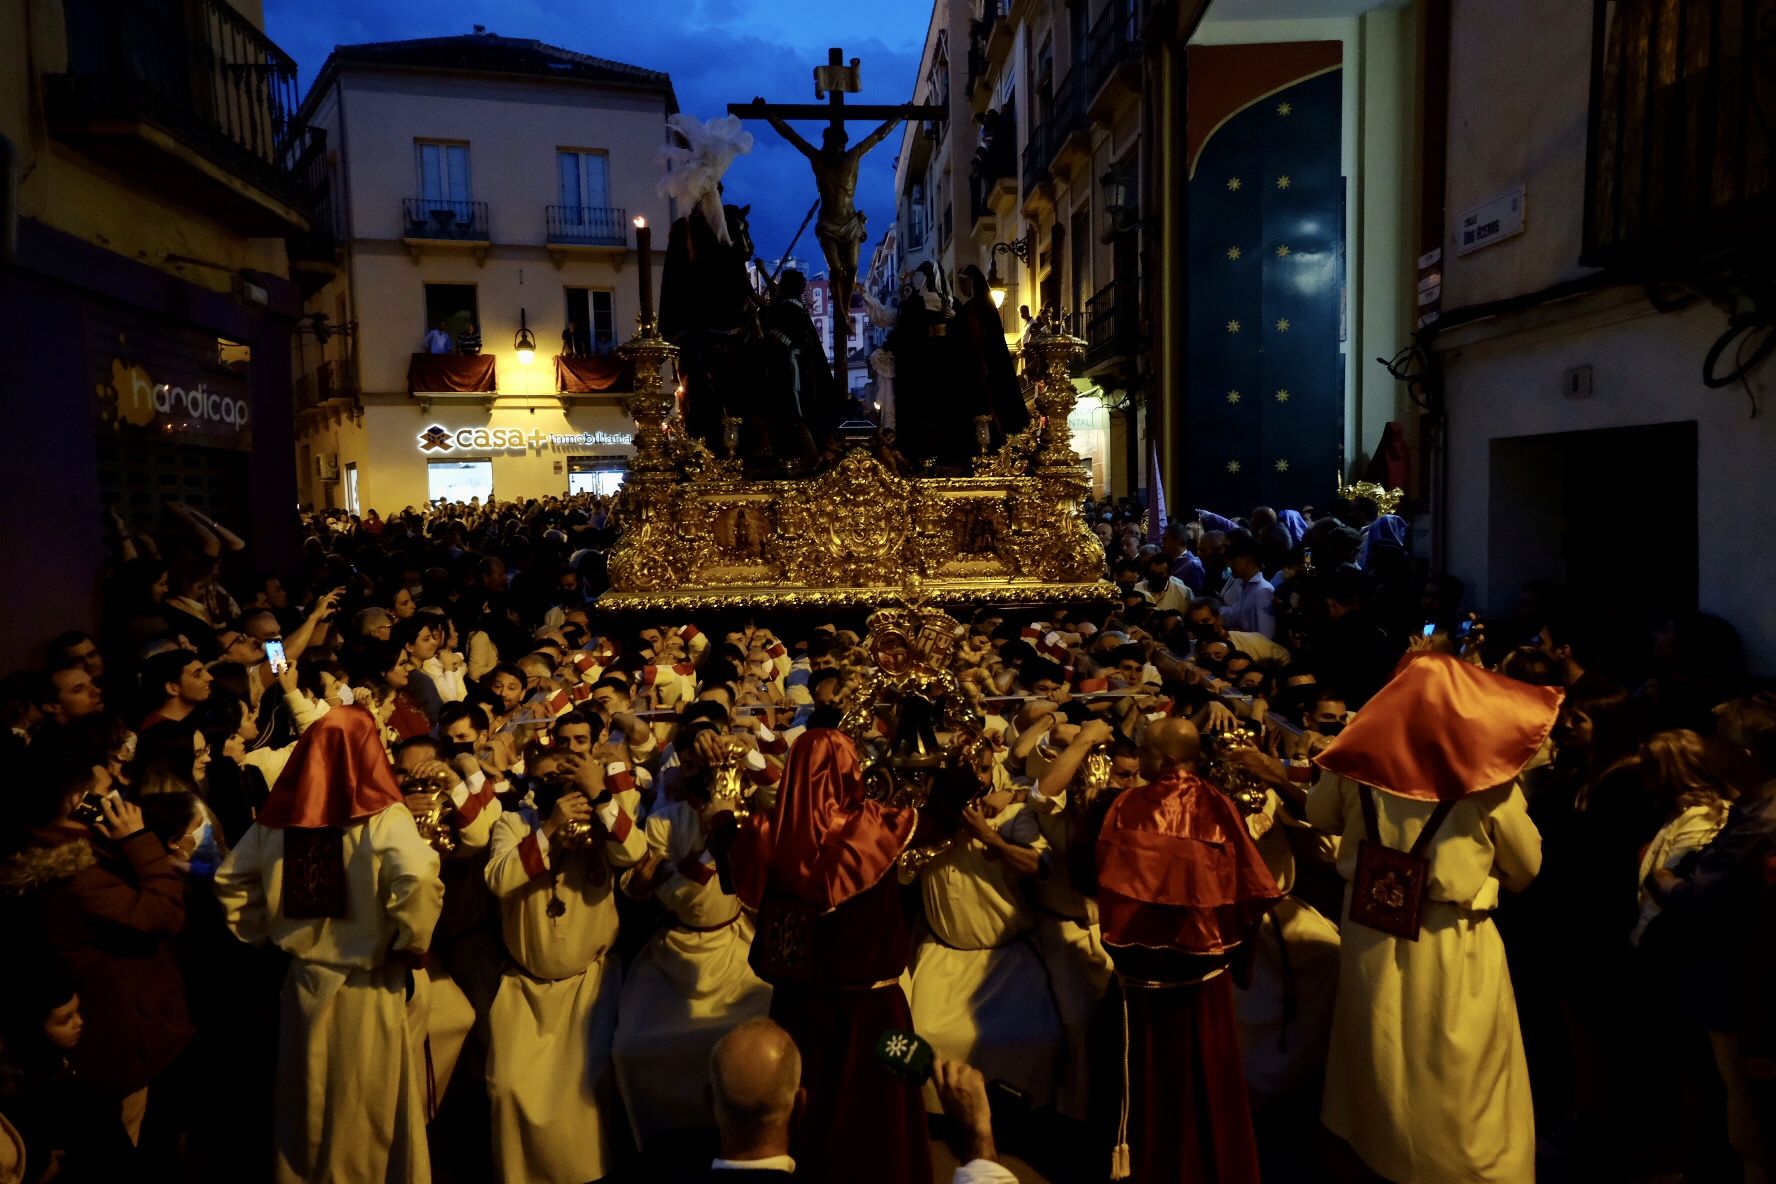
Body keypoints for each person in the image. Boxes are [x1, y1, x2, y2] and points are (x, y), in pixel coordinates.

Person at [1307, 652, 1556, 1184]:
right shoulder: (1486, 779)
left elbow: (1319, 814)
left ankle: (1381, 1151)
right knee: (1459, 1063)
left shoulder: (1357, 758)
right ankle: (1467, 1167)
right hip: (1450, 932)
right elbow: (1527, 866)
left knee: (1379, 1044)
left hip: (1370, 923)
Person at [213, 708, 445, 1184]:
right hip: (367, 982)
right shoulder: (383, 818)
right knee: (363, 1109)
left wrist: (262, 932)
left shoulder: (278, 821)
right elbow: (419, 876)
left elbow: (231, 880)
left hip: (303, 980)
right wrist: (410, 940)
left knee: (308, 1102)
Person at [723, 728, 931, 1184]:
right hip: (876, 1010)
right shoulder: (877, 826)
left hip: (797, 1008)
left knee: (804, 1109)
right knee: (884, 1113)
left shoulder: (763, 831)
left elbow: (729, 862)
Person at [1094, 718, 1281, 1184]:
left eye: (1145, 752)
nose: (1140, 761)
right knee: (1209, 1080)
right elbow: (1254, 888)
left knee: (1155, 1083)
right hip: (1208, 977)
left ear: (1168, 759)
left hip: (1147, 978)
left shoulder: (1128, 806)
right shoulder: (1222, 804)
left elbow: (1103, 878)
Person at [483, 747, 645, 1184]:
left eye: (566, 777)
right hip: (525, 992)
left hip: (586, 987)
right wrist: (551, 828)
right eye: (547, 778)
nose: (559, 785)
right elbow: (499, 879)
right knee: (507, 1087)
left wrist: (600, 793)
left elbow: (633, 852)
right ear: (533, 784)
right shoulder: (514, 824)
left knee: (586, 1091)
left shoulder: (601, 821)